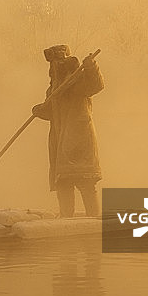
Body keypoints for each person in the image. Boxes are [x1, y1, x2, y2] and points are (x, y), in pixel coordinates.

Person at [32, 45, 104, 218]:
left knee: (85, 180)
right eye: (53, 64)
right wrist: (39, 109)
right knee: (63, 181)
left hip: (80, 137)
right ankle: (66, 219)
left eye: (58, 62)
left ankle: (93, 219)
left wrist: (91, 67)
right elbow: (51, 112)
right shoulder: (53, 89)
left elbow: (96, 86)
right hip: (60, 139)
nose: (54, 67)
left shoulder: (79, 80)